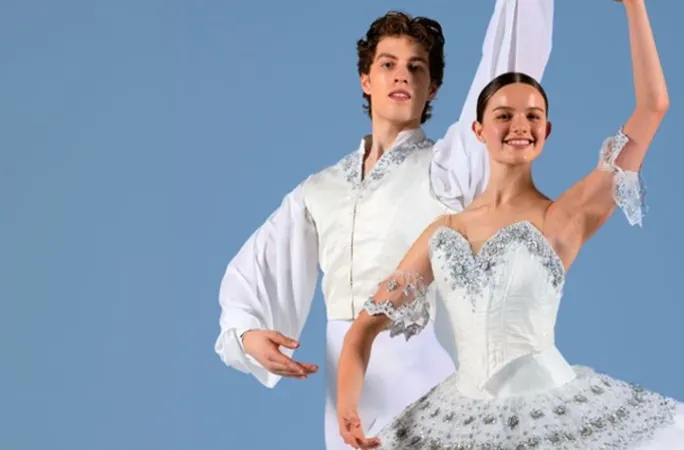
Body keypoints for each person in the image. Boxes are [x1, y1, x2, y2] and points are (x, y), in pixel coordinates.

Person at [335, 1, 684, 449]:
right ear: (478, 130)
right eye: (504, 115)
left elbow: (654, 107)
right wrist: (348, 408)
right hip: (456, 419)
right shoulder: (441, 233)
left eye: (532, 116)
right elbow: (363, 328)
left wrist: (634, 7)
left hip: (546, 410)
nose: (519, 125)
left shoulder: (564, 215)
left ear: (547, 132)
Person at [213, 2, 554, 449]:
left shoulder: (449, 167)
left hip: (430, 370)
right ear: (365, 79)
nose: (401, 76)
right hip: (349, 388)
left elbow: (508, 72)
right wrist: (246, 332)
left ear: (432, 87)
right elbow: (257, 267)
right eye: (388, 64)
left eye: (416, 68)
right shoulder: (321, 189)